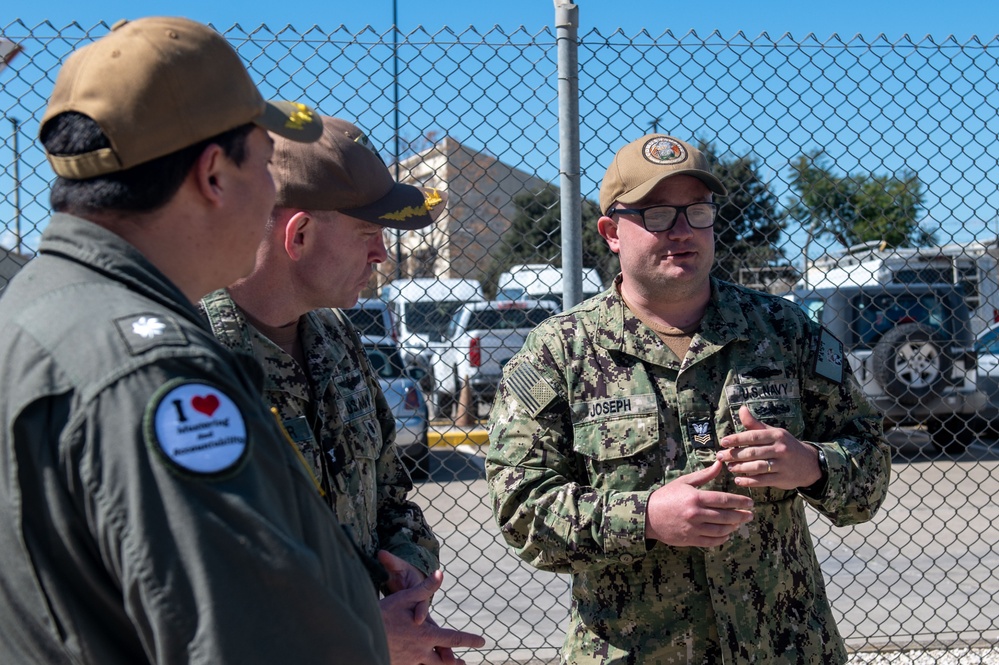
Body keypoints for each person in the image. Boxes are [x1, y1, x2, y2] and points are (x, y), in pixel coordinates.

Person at [0, 17, 396, 664]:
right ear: (214, 175)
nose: (273, 194)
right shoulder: (154, 374)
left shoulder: (37, 303)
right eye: (266, 166)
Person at [486, 133, 892, 664]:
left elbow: (870, 460)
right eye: (656, 215)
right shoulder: (559, 354)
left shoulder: (784, 331)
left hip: (785, 649)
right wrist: (646, 517)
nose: (682, 232)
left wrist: (813, 465)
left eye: (697, 212)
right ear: (611, 231)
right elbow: (521, 510)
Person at [200, 115, 486, 665]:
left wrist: (403, 566)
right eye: (368, 234)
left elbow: (389, 495)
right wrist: (355, 635)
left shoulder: (336, 339)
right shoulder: (183, 358)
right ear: (299, 235)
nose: (382, 254)